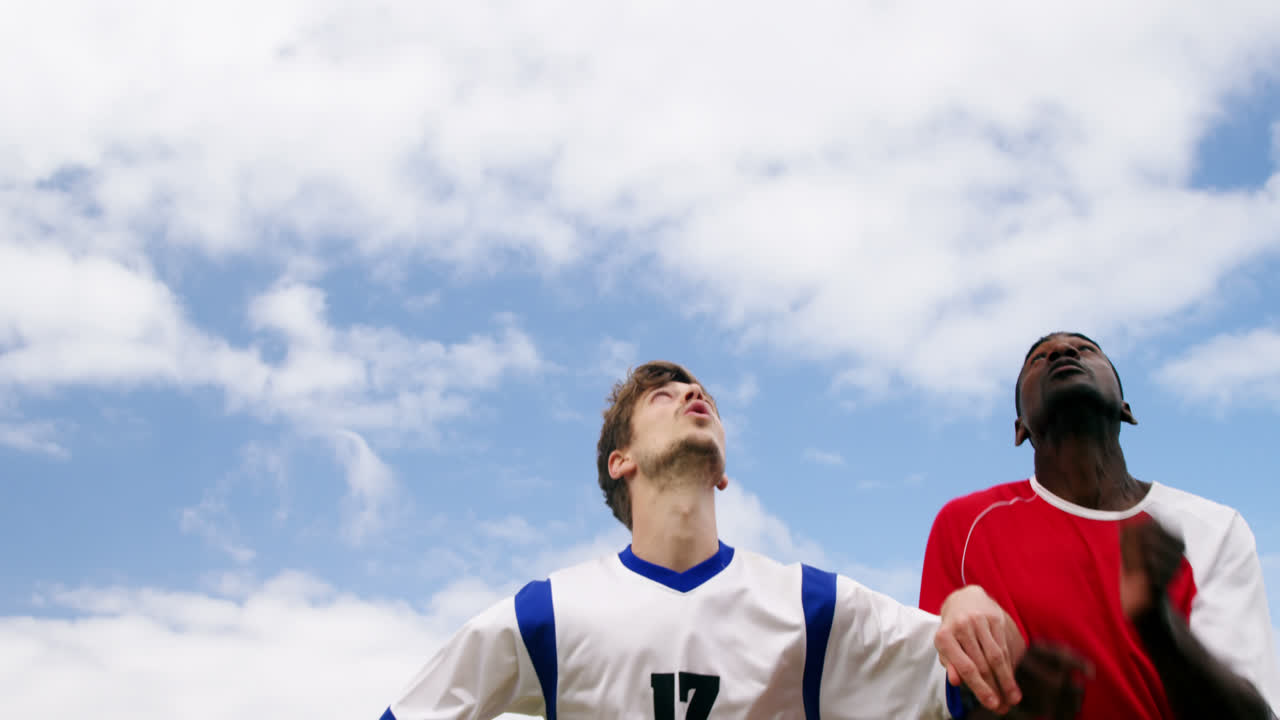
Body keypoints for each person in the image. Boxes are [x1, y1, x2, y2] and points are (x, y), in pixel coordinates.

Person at [380, 361, 1031, 719]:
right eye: (664, 396)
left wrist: (966, 606)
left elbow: (974, 683)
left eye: (703, 397)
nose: (693, 393)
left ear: (723, 473)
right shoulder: (546, 612)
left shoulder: (810, 606)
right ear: (621, 460)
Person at [920, 332, 1280, 719]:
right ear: (1020, 427)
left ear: (1125, 408)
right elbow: (937, 697)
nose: (1062, 351)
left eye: (1086, 349)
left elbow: (1252, 713)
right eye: (1038, 359)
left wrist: (1158, 626)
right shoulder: (966, 524)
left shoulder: (1213, 527)